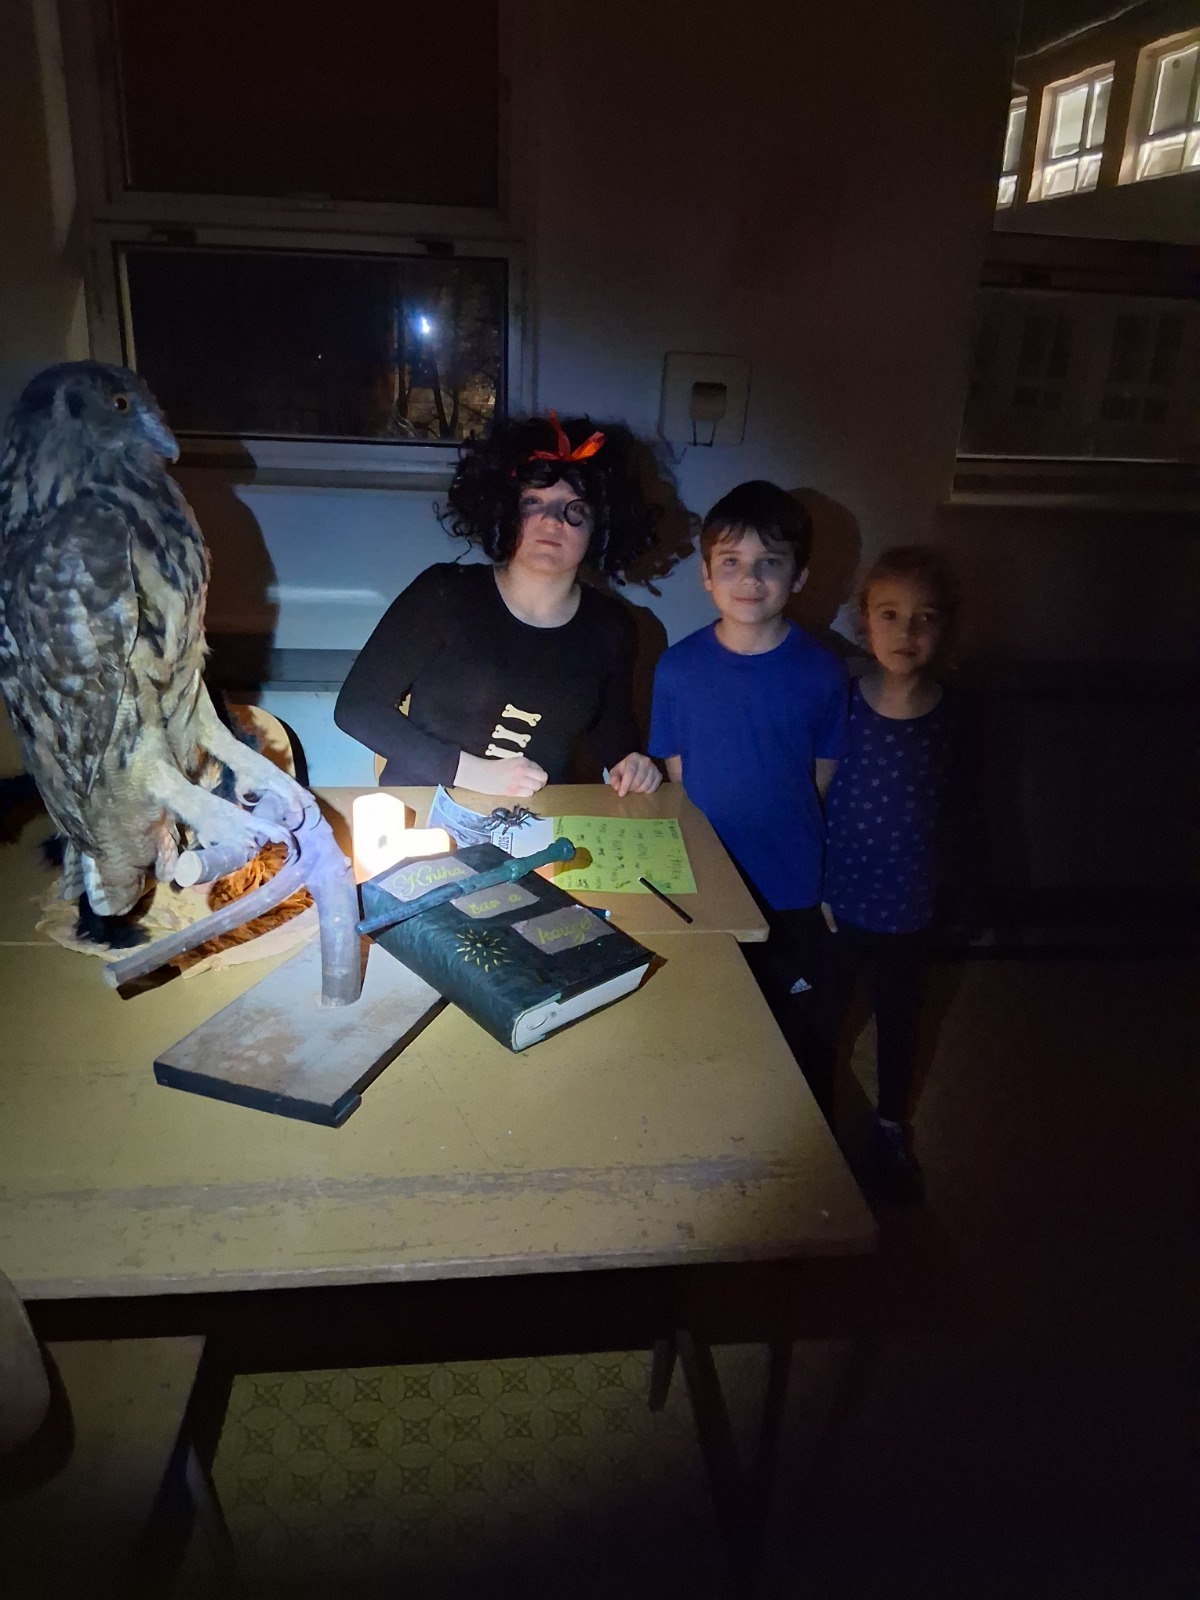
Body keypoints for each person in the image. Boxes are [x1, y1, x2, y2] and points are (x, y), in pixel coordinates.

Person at [335, 413, 662, 798]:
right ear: (505, 512)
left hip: (540, 818)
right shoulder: (446, 593)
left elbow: (610, 725)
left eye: (574, 508)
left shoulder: (611, 627)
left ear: (600, 526)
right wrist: (470, 772)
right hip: (428, 811)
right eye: (533, 502)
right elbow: (357, 707)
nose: (552, 521)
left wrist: (629, 761)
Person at [648, 481, 849, 1099]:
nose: (750, 579)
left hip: (791, 885)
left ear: (799, 575)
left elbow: (821, 777)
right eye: (731, 562)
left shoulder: (822, 672)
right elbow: (679, 773)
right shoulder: (677, 669)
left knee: (799, 1038)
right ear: (707, 575)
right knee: (710, 1029)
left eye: (770, 562)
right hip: (710, 882)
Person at [817, 544, 974, 1203]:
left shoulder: (953, 716)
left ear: (944, 628)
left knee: (900, 1021)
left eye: (924, 617)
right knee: (824, 1016)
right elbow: (816, 795)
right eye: (890, 614)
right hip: (838, 898)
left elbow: (963, 810)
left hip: (909, 906)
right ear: (865, 620)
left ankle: (888, 1128)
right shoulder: (842, 702)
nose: (907, 631)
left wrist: (961, 893)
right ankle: (815, 1126)